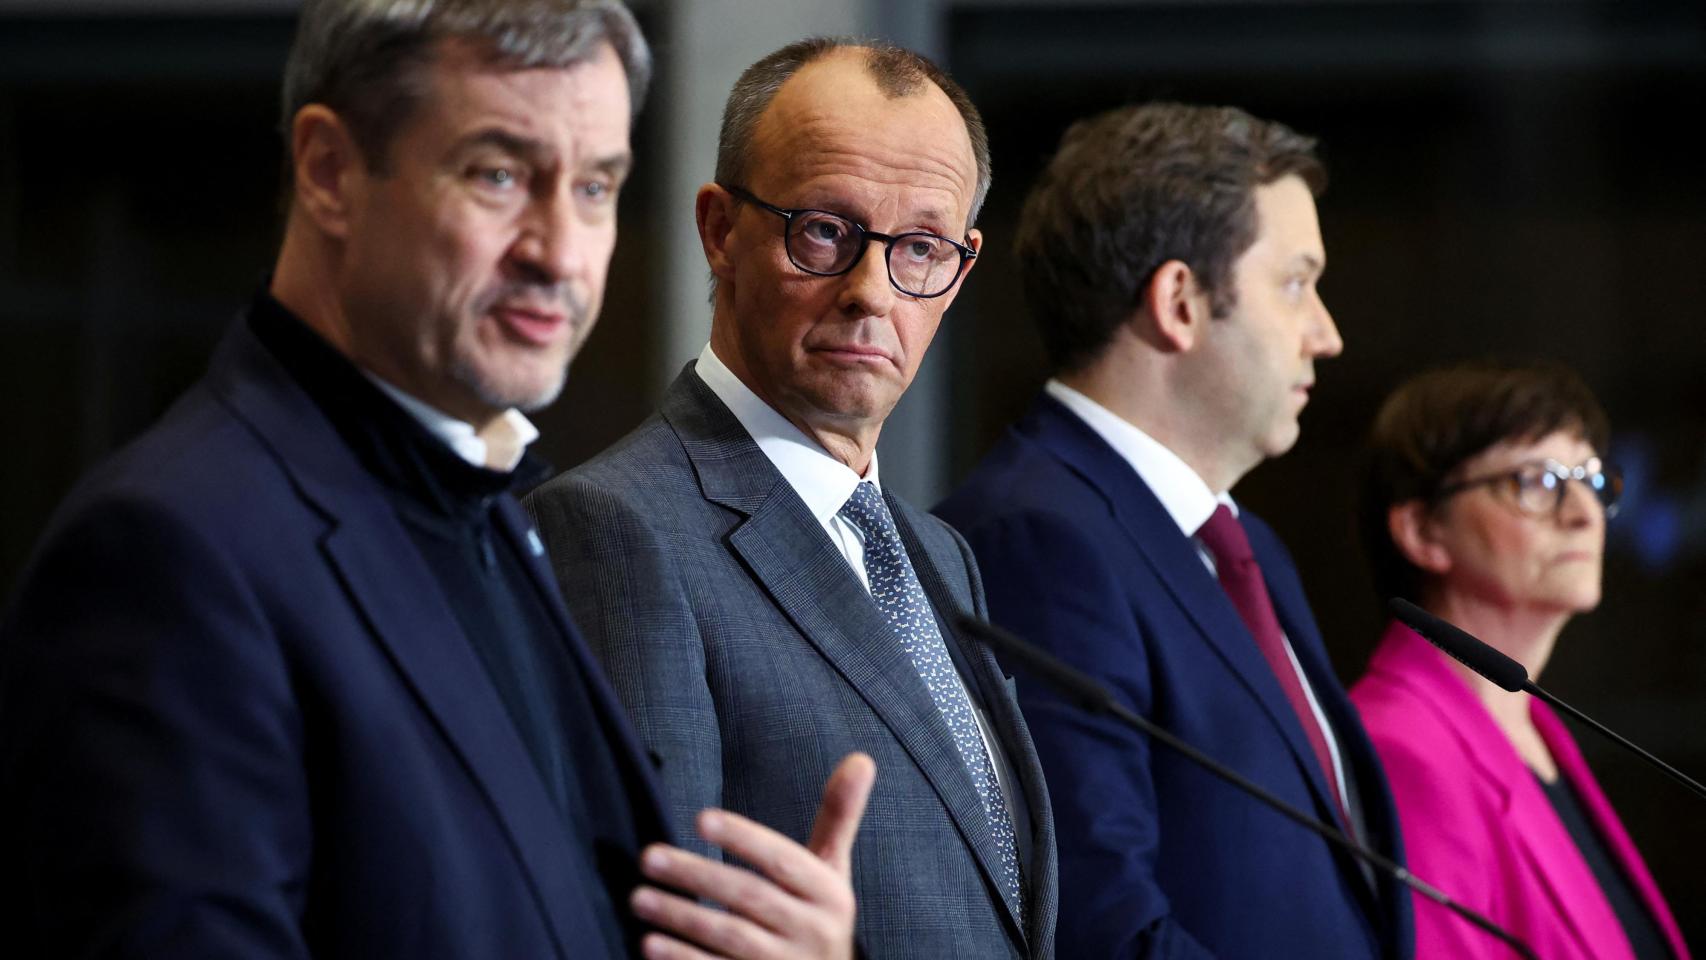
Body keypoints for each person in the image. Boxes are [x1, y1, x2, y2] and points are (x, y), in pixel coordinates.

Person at [0, 3, 872, 958]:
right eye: (498, 173)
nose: (559, 252)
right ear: (329, 171)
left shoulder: (487, 503)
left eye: (594, 187)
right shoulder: (166, 557)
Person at [525, 37, 1058, 960]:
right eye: (824, 230)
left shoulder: (939, 556)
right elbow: (647, 928)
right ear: (721, 231)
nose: (868, 293)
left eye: (920, 248)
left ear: (960, 270)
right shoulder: (617, 529)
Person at [934, 102, 1413, 958]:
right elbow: (1101, 927)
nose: (1328, 336)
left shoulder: (1245, 545)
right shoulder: (1034, 540)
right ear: (1181, 302)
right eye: (1297, 284)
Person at [1350, 360, 1691, 959]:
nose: (1585, 513)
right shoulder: (1403, 749)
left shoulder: (1532, 724)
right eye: (1537, 482)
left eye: (1591, 479)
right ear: (1422, 531)